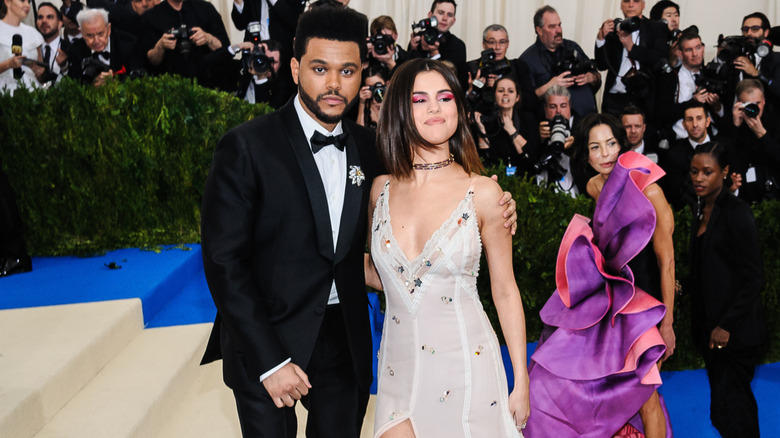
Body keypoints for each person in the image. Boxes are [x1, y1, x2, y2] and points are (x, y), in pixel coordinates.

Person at [199, 7, 519, 437]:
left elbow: (429, 195)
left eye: (347, 70)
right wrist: (270, 361)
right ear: (295, 69)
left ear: (361, 73)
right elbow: (223, 262)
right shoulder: (246, 146)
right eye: (319, 68)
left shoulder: (373, 151)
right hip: (266, 337)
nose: (334, 84)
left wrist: (495, 208)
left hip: (344, 341)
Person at [366, 57, 529, 438]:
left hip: (466, 370)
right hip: (396, 370)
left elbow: (504, 290)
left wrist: (520, 378)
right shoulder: (380, 191)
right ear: (399, 110)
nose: (435, 107)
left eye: (444, 97)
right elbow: (376, 274)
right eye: (419, 99)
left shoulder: (484, 193)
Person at [527, 113, 675, 438]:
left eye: (611, 143)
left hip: (645, 312)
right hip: (610, 311)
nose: (606, 154)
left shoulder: (651, 193)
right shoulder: (595, 186)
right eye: (595, 147)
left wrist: (668, 323)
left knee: (646, 397)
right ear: (585, 154)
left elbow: (666, 262)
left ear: (623, 144)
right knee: (560, 380)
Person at [688, 141, 766, 438]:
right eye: (694, 171)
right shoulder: (700, 209)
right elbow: (706, 267)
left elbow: (754, 278)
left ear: (725, 173)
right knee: (723, 412)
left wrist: (725, 326)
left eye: (707, 172)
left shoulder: (737, 213)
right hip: (711, 331)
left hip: (735, 333)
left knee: (736, 413)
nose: (699, 178)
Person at [519, 6, 600, 120]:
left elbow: (597, 77)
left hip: (587, 120)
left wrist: (591, 78)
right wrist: (551, 85)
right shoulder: (527, 59)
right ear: (539, 30)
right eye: (552, 27)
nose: (559, 30)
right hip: (553, 126)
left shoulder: (572, 47)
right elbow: (525, 100)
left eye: (559, 25)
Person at [595, 0, 669, 117]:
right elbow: (602, 65)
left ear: (643, 5)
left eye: (636, 1)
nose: (630, 5)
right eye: (626, 1)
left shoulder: (656, 28)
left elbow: (660, 58)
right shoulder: (615, 28)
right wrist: (601, 39)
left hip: (643, 97)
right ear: (621, 5)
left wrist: (632, 48)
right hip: (615, 98)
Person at [139, 0, 229, 86]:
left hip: (210, 84)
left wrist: (207, 38)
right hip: (170, 87)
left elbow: (226, 49)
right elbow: (151, 60)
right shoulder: (151, 17)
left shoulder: (205, 9)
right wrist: (161, 45)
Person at [473, 74, 539, 175]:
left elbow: (532, 156)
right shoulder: (487, 121)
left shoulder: (528, 119)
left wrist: (512, 131)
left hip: (524, 180)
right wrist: (481, 131)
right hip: (498, 178)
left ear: (517, 97)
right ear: (494, 96)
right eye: (501, 90)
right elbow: (485, 161)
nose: (505, 94)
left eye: (510, 91)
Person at [727, 78, 780, 203]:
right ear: (739, 104)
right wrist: (735, 127)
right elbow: (728, 162)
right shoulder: (734, 125)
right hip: (746, 197)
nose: (754, 109)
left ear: (764, 101)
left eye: (757, 104)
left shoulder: (776, 121)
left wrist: (762, 134)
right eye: (748, 105)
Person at [67, 8, 143, 86]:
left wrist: (115, 83)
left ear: (109, 29)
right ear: (81, 33)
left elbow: (139, 80)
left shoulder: (128, 43)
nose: (96, 41)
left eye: (100, 34)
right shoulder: (75, 51)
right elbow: (74, 87)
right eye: (90, 35)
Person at [408, 0, 467, 87]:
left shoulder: (457, 45)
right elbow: (409, 74)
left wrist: (435, 53)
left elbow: (452, 80)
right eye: (441, 13)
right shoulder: (418, 39)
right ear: (430, 15)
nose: (445, 18)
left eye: (449, 15)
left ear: (453, 21)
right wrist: (413, 50)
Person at [0, 0, 44, 94]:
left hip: (33, 95)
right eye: (22, 1)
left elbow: (41, 73)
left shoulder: (33, 33)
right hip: (5, 97)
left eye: (29, 2)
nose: (27, 5)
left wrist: (39, 72)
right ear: (7, 2)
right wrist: (7, 65)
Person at [35, 2, 70, 82]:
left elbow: (77, 84)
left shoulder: (71, 49)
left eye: (49, 17)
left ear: (60, 24)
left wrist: (64, 67)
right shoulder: (31, 49)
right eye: (40, 17)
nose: (44, 21)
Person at [356, 61, 388, 129]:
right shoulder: (367, 106)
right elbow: (359, 132)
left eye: (378, 86)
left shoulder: (395, 103)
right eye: (371, 87)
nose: (376, 90)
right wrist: (362, 103)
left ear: (387, 84)